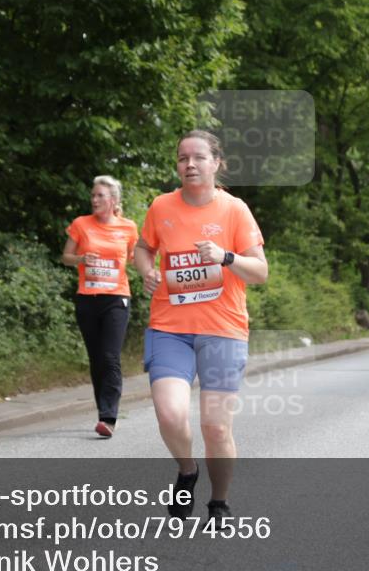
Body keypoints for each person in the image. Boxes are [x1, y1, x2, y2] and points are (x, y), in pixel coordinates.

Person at [133, 130, 267, 524]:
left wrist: (226, 257)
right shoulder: (161, 206)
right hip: (169, 328)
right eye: (182, 158)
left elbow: (260, 271)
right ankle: (187, 470)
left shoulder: (234, 210)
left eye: (198, 157)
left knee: (215, 427)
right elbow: (143, 248)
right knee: (170, 415)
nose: (189, 164)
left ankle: (219, 502)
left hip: (223, 330)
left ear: (216, 163)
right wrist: (146, 271)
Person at [61, 176, 138, 438]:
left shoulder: (128, 227)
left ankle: (109, 417)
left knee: (109, 356)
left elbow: (135, 258)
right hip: (87, 298)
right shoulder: (81, 224)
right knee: (96, 358)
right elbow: (66, 257)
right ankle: (102, 412)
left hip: (116, 298)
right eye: (93, 195)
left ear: (113, 200)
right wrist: (81, 258)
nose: (94, 199)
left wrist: (150, 270)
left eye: (100, 195)